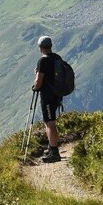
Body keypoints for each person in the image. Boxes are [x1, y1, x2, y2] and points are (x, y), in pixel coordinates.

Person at [32, 35, 63, 163]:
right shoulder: (57, 58)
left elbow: (38, 82)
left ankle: (54, 152)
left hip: (47, 96)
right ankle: (51, 147)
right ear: (50, 45)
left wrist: (35, 86)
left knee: (50, 123)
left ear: (40, 47)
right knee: (51, 121)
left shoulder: (43, 61)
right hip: (57, 95)